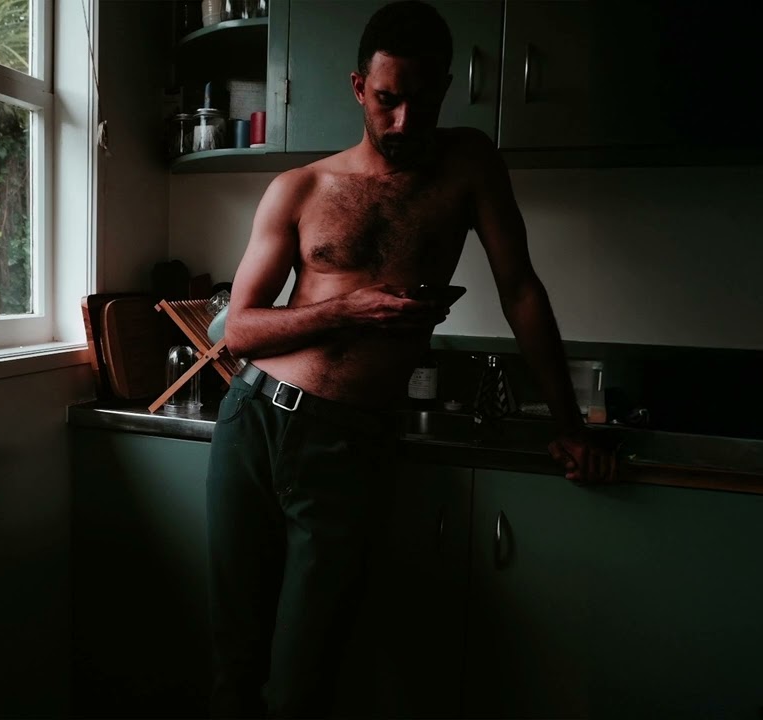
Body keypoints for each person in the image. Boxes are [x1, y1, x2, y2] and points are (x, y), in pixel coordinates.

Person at [206, 1, 617, 716]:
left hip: (344, 440)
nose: (403, 122)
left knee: (302, 680)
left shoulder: (469, 164)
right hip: (251, 421)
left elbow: (521, 290)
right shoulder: (299, 188)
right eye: (387, 100)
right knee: (235, 663)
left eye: (421, 103)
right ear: (358, 87)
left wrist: (568, 424)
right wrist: (350, 309)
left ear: (447, 90)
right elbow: (237, 332)